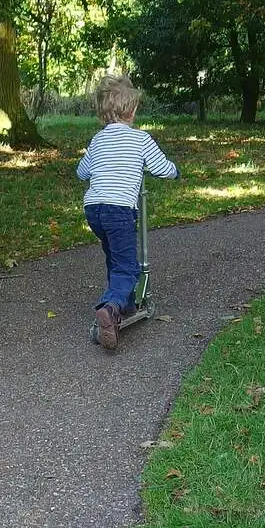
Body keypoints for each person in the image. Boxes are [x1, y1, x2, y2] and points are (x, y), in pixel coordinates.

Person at [76, 75, 177, 351]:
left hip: (94, 209)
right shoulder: (140, 139)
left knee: (115, 257)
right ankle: (109, 308)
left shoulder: (97, 140)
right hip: (119, 210)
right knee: (128, 266)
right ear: (131, 111)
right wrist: (174, 171)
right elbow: (161, 167)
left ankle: (126, 301)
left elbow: (82, 171)